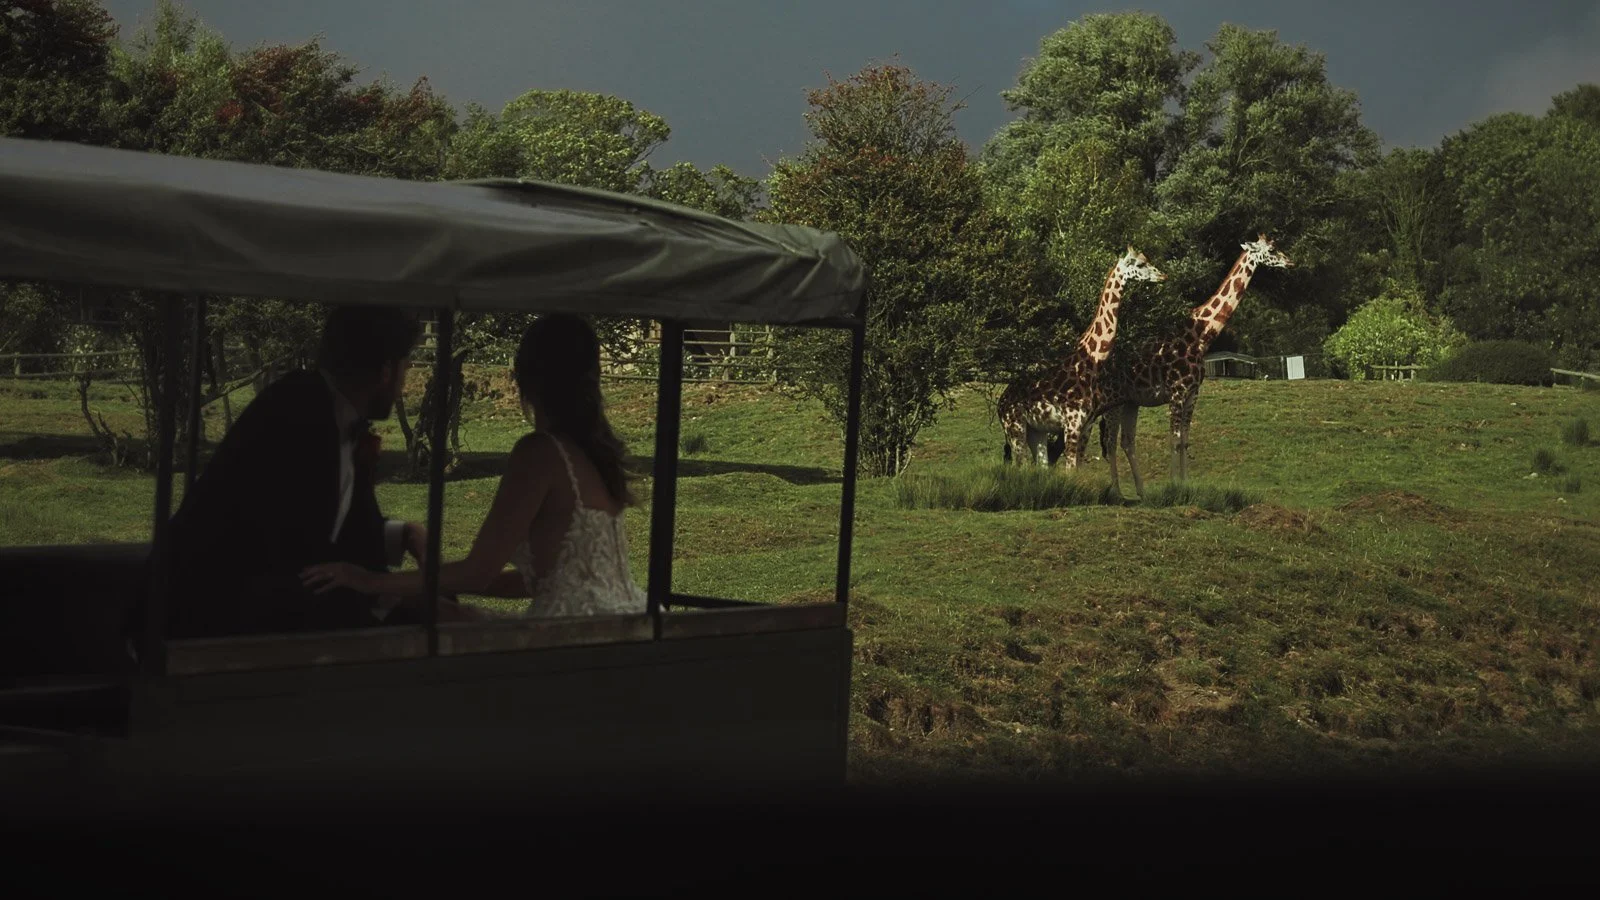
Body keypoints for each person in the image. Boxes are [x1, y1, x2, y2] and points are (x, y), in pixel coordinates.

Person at [299, 313, 648, 620]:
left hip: (568, 631)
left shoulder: (541, 452)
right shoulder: (594, 452)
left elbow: (478, 572)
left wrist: (369, 580)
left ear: (524, 378)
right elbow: (548, 578)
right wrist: (434, 581)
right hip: (625, 618)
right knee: (456, 615)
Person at [159, 305, 431, 639]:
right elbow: (306, 560)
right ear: (386, 371)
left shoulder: (327, 412)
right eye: (406, 367)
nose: (404, 383)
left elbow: (343, 529)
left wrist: (404, 534)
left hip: (261, 614)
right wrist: (397, 602)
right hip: (201, 626)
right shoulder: (298, 418)